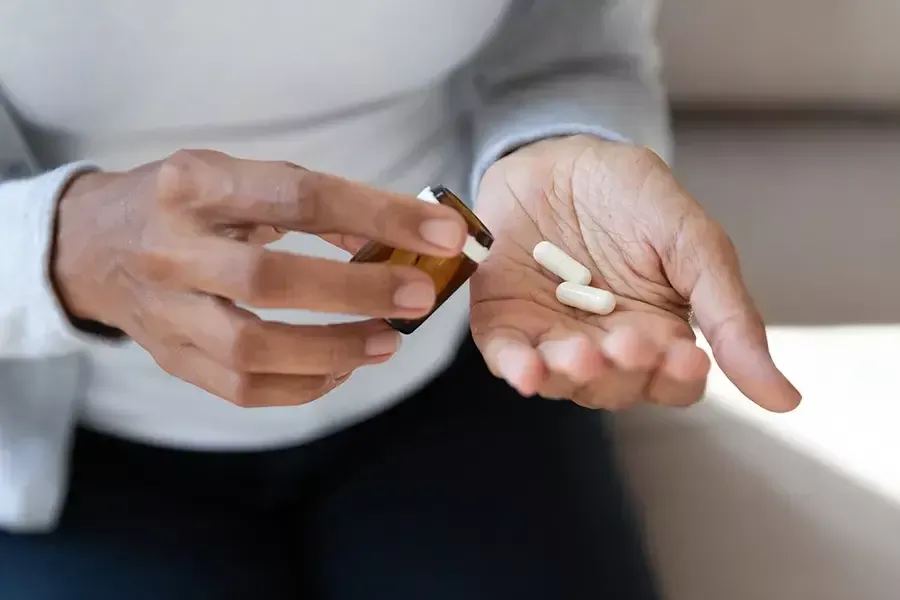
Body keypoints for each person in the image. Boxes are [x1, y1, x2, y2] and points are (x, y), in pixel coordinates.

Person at [0, 0, 800, 598]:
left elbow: (565, 39)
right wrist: (52, 246)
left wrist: (559, 139)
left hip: (468, 367)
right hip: (74, 451)